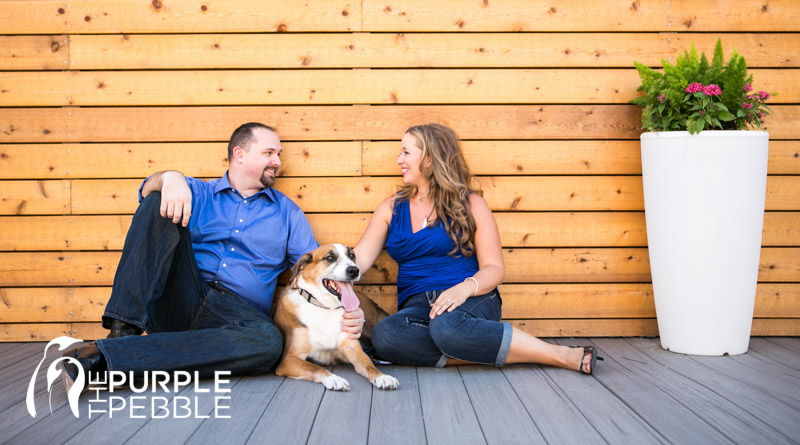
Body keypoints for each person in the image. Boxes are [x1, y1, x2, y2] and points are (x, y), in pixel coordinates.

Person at [62, 122, 365, 388]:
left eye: (279, 155)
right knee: (156, 203)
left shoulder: (288, 213)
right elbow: (147, 190)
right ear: (239, 154)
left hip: (237, 317)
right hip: (181, 298)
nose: (277, 161)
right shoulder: (198, 192)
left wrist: (349, 309)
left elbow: (315, 270)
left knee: (268, 343)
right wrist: (170, 178)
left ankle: (104, 358)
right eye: (269, 153)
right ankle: (122, 333)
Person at [353, 123, 602, 373]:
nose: (399, 160)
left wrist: (463, 290)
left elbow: (494, 268)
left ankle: (557, 354)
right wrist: (326, 277)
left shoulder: (471, 205)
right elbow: (360, 258)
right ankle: (481, 353)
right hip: (419, 308)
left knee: (446, 326)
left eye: (406, 152)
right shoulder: (391, 208)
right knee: (386, 335)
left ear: (429, 159)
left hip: (472, 298)